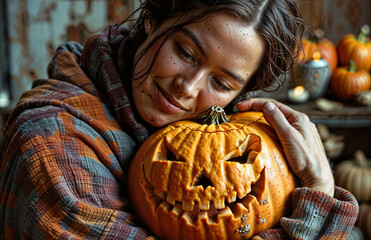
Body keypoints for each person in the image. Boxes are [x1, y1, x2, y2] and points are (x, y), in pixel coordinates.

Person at [0, 0, 358, 239]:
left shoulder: (222, 134)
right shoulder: (52, 142)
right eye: (185, 52)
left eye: (221, 83)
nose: (188, 87)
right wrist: (317, 204)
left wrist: (316, 181)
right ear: (153, 20)